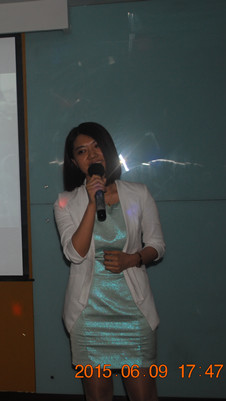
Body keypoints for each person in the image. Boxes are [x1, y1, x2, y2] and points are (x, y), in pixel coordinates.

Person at [54, 122, 165, 401]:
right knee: (98, 395)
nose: (92, 155)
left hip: (134, 310)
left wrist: (133, 259)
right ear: (74, 162)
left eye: (96, 146)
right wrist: (93, 203)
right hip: (88, 314)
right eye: (82, 151)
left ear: (109, 149)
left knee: (144, 394)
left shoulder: (138, 193)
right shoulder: (66, 202)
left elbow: (157, 245)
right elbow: (74, 254)